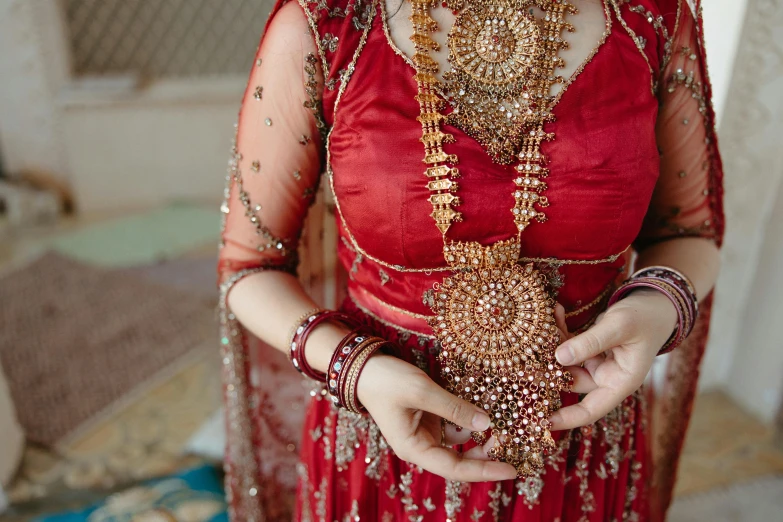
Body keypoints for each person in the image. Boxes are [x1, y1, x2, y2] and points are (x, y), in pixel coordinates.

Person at [217, 0, 724, 520]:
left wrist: (657, 308)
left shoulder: (650, 19)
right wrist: (356, 369)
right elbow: (249, 268)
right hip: (385, 429)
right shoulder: (329, 26)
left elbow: (691, 232)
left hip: (582, 430)